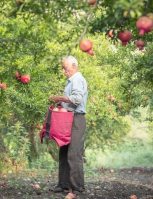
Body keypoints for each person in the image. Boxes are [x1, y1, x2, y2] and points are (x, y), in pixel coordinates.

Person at [49, 55, 88, 198]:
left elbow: (77, 100)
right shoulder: (70, 81)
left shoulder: (77, 79)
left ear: (73, 66)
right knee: (64, 151)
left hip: (77, 119)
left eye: (65, 68)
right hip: (68, 118)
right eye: (62, 68)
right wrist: (61, 104)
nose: (63, 71)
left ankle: (77, 188)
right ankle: (64, 184)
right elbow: (70, 101)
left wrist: (61, 98)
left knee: (74, 153)